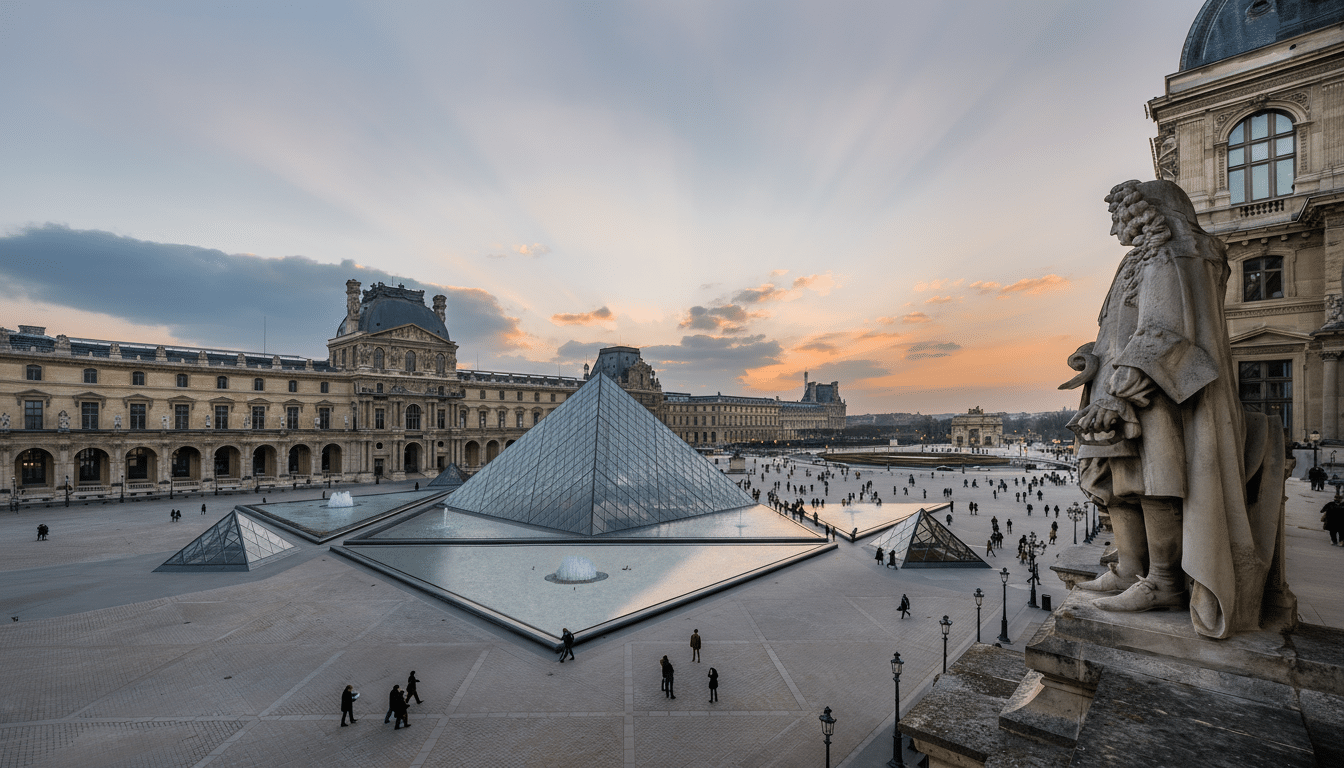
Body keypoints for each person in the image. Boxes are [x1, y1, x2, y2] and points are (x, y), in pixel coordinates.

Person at [1067, 180, 1290, 636]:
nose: (1115, 230)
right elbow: (1119, 328)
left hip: (1154, 388)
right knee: (1118, 481)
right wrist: (1093, 358)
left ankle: (1164, 580)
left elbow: (1164, 328)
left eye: (1120, 218)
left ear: (1148, 213)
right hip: (1116, 381)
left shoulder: (1176, 255)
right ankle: (1131, 569)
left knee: (1154, 484)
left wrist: (1121, 385)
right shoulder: (1139, 260)